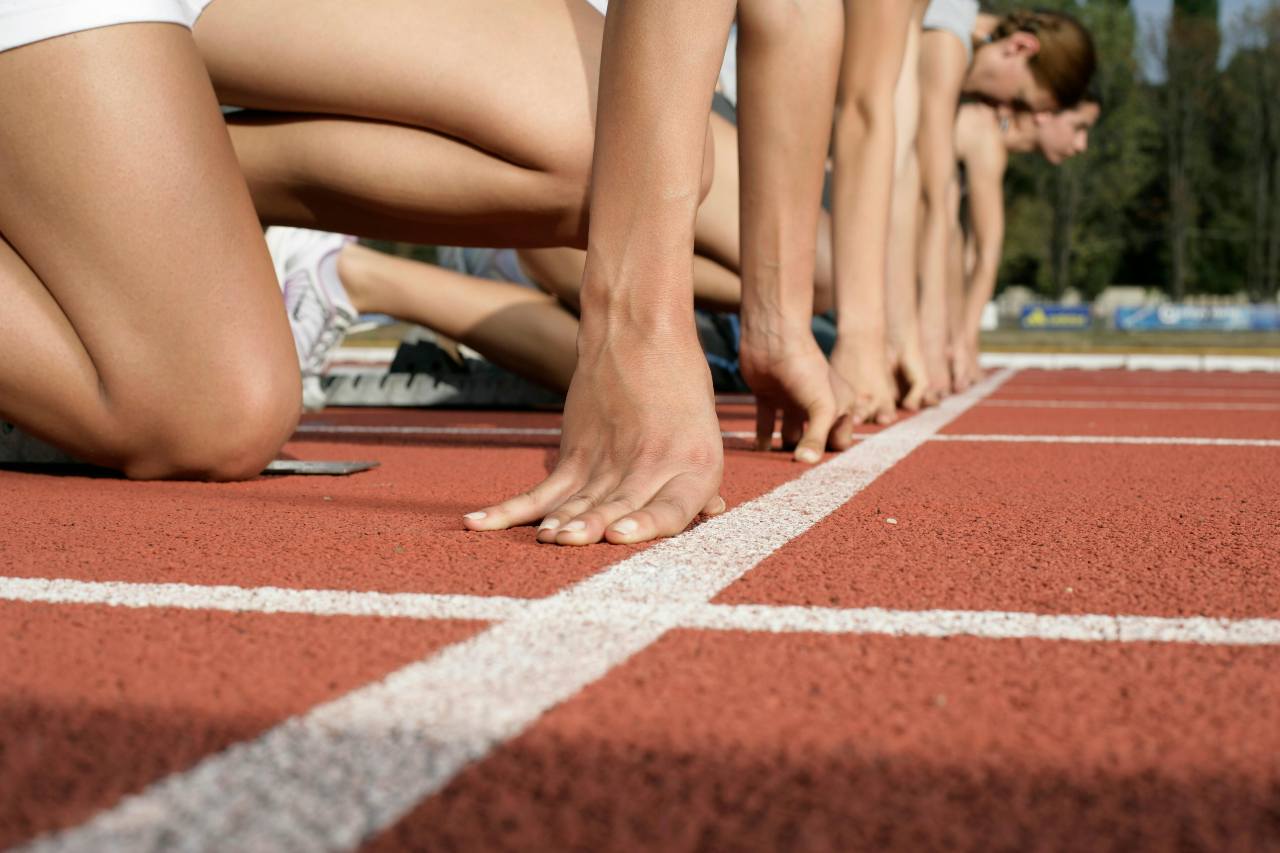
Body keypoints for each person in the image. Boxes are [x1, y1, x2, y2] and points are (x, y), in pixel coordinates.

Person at [910, 5, 1097, 399]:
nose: (1011, 107)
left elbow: (967, 240)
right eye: (1029, 99)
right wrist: (947, 340)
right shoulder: (955, 57)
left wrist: (956, 337)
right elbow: (974, 242)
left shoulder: (960, 53)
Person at [947, 93, 1103, 389]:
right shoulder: (984, 131)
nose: (1082, 145)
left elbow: (968, 252)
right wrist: (963, 346)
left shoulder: (989, 134)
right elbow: (986, 254)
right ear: (1045, 111)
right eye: (1078, 127)